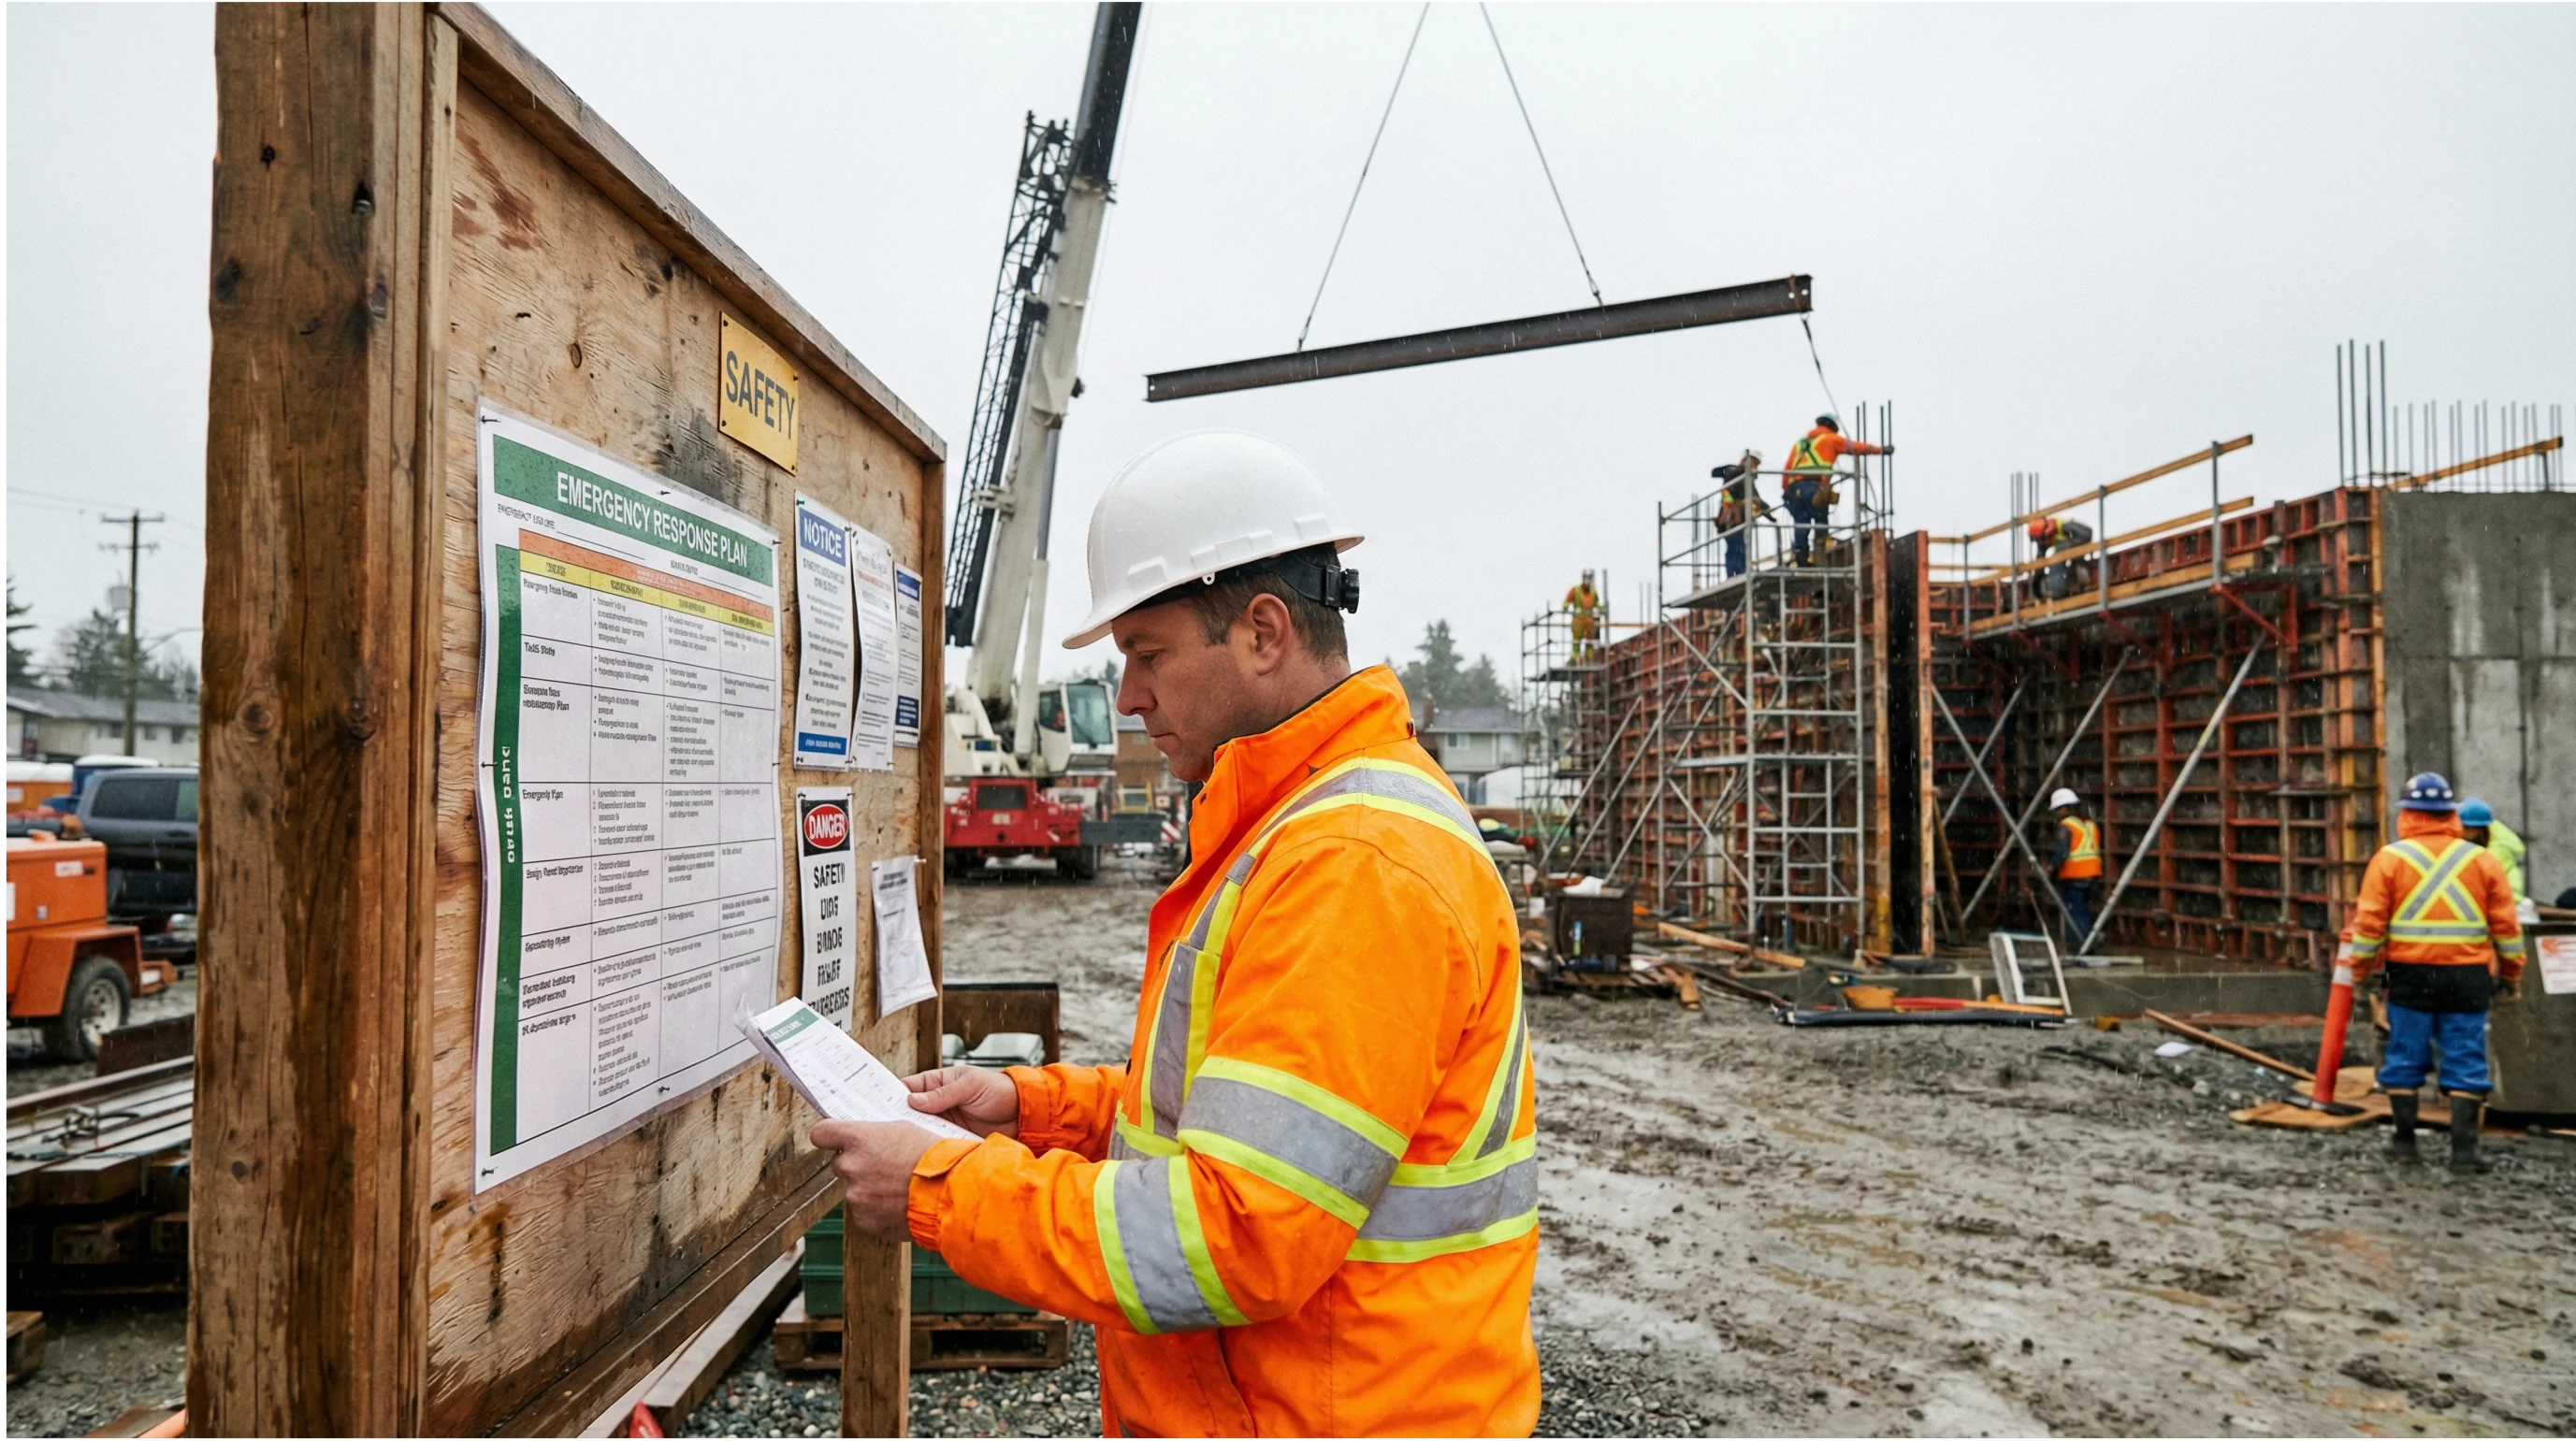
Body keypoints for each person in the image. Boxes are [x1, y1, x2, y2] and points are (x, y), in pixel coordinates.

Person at [809, 430, 1540, 1439]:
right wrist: (1029, 1107)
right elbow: (1235, 1114)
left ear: (1265, 632)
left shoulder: (1353, 862)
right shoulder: (1297, 827)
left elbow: (1235, 1233)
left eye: (1149, 655)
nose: (1131, 696)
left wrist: (941, 1185)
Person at [2345, 772, 2525, 1173]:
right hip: (2468, 977)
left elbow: (2369, 925)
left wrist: (2361, 972)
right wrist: (2512, 975)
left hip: (2410, 975)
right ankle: (2463, 1154)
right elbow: (2507, 929)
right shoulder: (2483, 861)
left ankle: (2405, 1147)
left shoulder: (2389, 860)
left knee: (2405, 1055)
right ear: (2451, 814)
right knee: (2465, 1058)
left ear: (2407, 813)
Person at [1782, 413, 1889, 566]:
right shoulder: (1830, 439)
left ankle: (1801, 559)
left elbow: (1787, 469)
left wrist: (1787, 491)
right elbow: (1856, 448)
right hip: (1814, 487)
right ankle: (1819, 557)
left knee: (1801, 523)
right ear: (1833, 427)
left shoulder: (1800, 444)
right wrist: (1881, 450)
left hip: (1794, 490)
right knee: (1821, 523)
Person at [2046, 787, 2103, 949]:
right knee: (2084, 910)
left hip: (2075, 875)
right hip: (2093, 876)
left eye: (2057, 809)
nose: (2057, 813)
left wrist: (2051, 868)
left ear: (2064, 808)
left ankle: (2080, 945)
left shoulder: (2066, 826)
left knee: (2075, 912)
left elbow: (2061, 852)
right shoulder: (2090, 824)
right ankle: (2089, 941)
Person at [2457, 798, 2528, 901]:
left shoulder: (2498, 851)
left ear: (2474, 828)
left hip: (2505, 903)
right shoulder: (2487, 837)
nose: (2456, 829)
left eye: (2461, 826)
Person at [1712, 449, 1766, 577]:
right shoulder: (1739, 473)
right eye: (1754, 463)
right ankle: (1737, 574)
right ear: (1745, 461)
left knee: (1739, 547)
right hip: (1733, 518)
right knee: (1737, 547)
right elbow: (1754, 497)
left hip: (1735, 518)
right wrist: (1764, 507)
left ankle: (1738, 572)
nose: (1755, 468)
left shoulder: (1738, 474)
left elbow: (1754, 497)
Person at [2027, 513, 2097, 600]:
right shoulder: (2042, 540)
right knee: (2058, 554)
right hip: (2069, 551)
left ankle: (2058, 593)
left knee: (2057, 556)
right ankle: (2057, 591)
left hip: (2080, 546)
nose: (2042, 543)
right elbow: (2040, 564)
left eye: (2042, 540)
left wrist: (2067, 543)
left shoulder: (2063, 525)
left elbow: (2087, 534)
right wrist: (2036, 585)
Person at [1565, 568, 1603, 663]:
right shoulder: (1576, 590)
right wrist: (1565, 606)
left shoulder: (1593, 592)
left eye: (1589, 577)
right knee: (1576, 642)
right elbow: (1568, 600)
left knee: (1589, 642)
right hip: (1578, 620)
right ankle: (1574, 659)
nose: (1587, 580)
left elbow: (1596, 603)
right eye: (1586, 577)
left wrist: (1601, 607)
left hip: (1589, 621)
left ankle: (1589, 658)